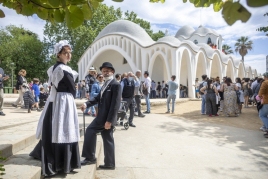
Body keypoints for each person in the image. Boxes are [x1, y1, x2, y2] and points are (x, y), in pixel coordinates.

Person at [29, 40, 81, 177]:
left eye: (69, 53)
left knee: (54, 129)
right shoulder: (63, 69)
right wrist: (73, 95)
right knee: (63, 129)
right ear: (59, 54)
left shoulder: (53, 68)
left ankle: (55, 159)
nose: (68, 55)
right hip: (63, 101)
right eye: (65, 53)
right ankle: (62, 163)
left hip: (55, 101)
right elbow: (72, 89)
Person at [80, 62, 121, 170]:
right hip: (102, 117)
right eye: (103, 71)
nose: (105, 73)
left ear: (112, 71)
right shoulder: (105, 84)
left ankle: (89, 157)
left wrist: (110, 121)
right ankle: (109, 163)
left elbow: (115, 105)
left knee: (90, 131)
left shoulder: (115, 85)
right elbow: (98, 98)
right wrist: (86, 104)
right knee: (107, 139)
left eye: (107, 71)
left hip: (106, 118)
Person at [258, 72, 268, 138]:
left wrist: (259, 96)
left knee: (262, 115)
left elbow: (260, 93)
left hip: (266, 101)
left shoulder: (265, 82)